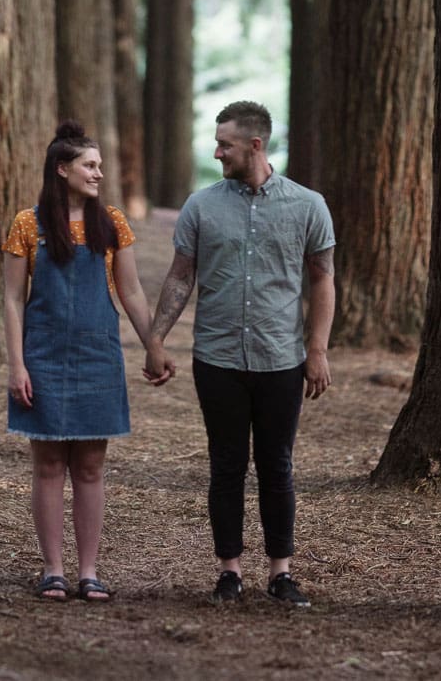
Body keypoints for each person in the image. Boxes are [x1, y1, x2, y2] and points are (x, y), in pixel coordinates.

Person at [143, 100, 335, 608]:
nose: (216, 151)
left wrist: (317, 348)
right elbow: (181, 275)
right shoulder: (201, 206)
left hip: (281, 359)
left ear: (255, 144)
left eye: (224, 144)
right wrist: (157, 338)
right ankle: (228, 571)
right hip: (218, 358)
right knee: (226, 465)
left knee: (277, 465)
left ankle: (280, 572)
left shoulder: (308, 205)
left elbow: (322, 279)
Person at [3, 121, 170, 601]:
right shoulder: (26, 224)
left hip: (99, 356)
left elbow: (133, 292)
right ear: (62, 169)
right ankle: (53, 568)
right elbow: (14, 301)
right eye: (90, 165)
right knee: (50, 464)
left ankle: (89, 570)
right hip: (44, 357)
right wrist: (17, 365)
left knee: (92, 467)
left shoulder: (112, 223)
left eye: (99, 166)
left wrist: (153, 345)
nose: (99, 174)